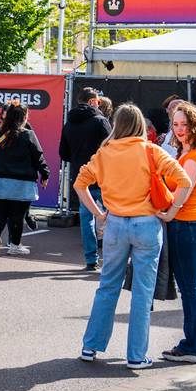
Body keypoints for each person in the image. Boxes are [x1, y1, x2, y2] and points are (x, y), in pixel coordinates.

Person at [73, 103, 190, 369]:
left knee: (107, 286)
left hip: (114, 223)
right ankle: (136, 356)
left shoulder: (105, 152)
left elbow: (80, 184)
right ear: (140, 125)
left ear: (116, 124)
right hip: (147, 225)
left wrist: (99, 213)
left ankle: (90, 347)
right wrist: (171, 212)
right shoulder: (151, 151)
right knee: (142, 291)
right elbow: (184, 180)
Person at [159, 102, 196, 363]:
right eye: (176, 124)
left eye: (184, 124)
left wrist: (170, 214)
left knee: (191, 289)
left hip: (187, 225)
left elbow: (184, 190)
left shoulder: (193, 157)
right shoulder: (191, 153)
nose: (180, 129)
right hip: (193, 224)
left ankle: (195, 347)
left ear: (195, 125)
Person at [60, 87, 113, 270]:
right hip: (104, 177)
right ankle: (112, 259)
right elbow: (112, 150)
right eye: (98, 101)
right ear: (92, 102)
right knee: (112, 217)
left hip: (81, 177)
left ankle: (91, 259)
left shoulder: (69, 123)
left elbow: (63, 153)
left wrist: (79, 158)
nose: (99, 104)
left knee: (86, 218)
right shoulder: (101, 121)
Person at [0, 102, 49, 257]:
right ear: (24, 117)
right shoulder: (28, 134)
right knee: (17, 215)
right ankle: (14, 245)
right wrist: (45, 174)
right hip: (22, 182)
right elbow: (38, 157)